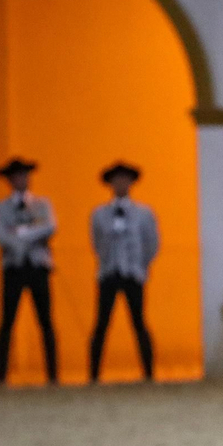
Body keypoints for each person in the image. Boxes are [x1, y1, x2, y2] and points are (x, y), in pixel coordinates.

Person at [88, 162, 158, 383]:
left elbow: (151, 243)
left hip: (132, 274)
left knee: (139, 322)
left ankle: (148, 372)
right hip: (109, 273)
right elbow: (96, 241)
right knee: (101, 324)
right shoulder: (99, 213)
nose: (121, 184)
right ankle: (94, 374)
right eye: (116, 180)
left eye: (124, 180)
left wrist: (140, 266)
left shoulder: (143, 213)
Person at [0, 157, 58, 385]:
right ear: (10, 180)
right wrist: (30, 235)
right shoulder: (1, 207)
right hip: (14, 267)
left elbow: (50, 226)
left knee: (45, 320)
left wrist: (20, 234)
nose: (22, 180)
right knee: (7, 320)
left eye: (25, 175)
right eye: (17, 176)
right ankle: (0, 375)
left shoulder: (42, 204)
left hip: (38, 266)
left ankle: (52, 374)